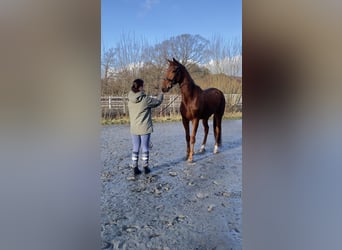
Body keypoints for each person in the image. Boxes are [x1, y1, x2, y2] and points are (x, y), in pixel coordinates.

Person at [127, 79, 164, 175]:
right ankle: (145, 167)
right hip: (144, 128)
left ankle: (135, 167)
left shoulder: (130, 99)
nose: (144, 88)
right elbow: (157, 102)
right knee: (145, 147)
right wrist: (161, 93)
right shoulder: (145, 99)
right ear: (140, 87)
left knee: (135, 147)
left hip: (134, 128)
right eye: (143, 86)